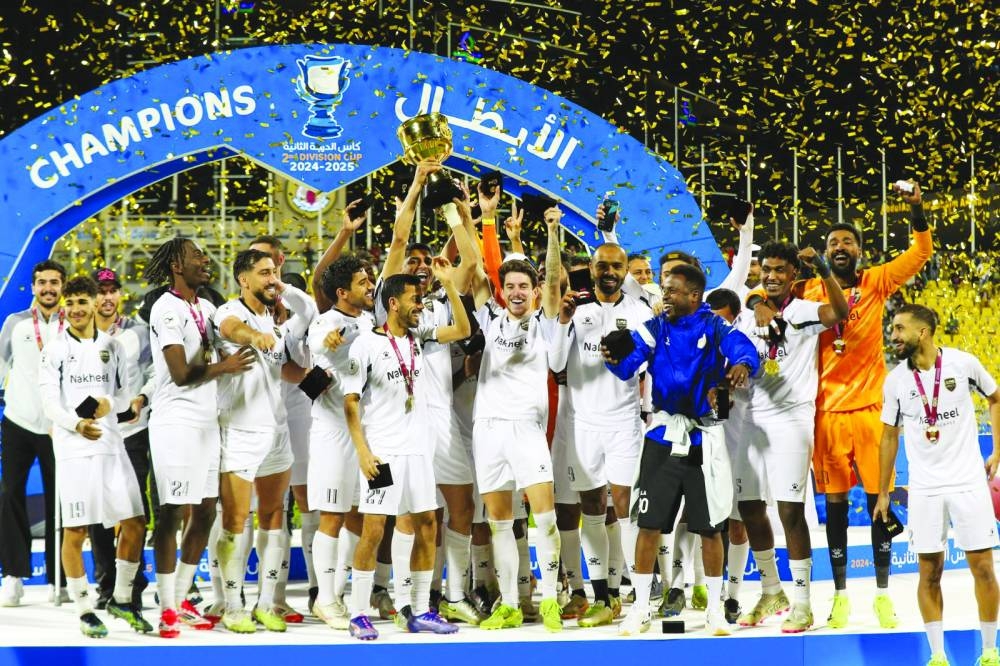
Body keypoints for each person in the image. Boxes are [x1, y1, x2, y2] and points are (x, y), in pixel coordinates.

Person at [751, 179, 932, 628]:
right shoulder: (809, 289)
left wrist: (916, 209)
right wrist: (756, 300)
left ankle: (884, 594)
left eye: (848, 241)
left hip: (871, 412)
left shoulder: (876, 281)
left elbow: (920, 253)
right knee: (834, 507)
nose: (839, 247)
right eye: (833, 242)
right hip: (826, 413)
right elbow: (766, 289)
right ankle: (840, 596)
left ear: (859, 250)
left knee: (879, 503)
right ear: (826, 251)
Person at [604, 263, 758, 636]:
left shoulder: (714, 326)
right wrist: (612, 357)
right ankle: (641, 607)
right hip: (662, 435)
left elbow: (745, 349)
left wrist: (741, 365)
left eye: (672, 290)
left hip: (704, 437)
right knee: (648, 525)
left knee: (711, 528)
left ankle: (715, 611)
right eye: (664, 289)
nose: (665, 296)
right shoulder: (656, 327)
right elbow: (627, 367)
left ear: (694, 295)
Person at [343, 261, 471, 641]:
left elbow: (463, 330)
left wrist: (449, 285)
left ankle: (419, 610)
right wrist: (363, 452)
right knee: (374, 529)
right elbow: (350, 402)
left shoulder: (420, 336)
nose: (421, 306)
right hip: (383, 452)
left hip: (418, 450)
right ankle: (358, 613)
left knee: (427, 523)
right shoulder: (366, 344)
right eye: (415, 300)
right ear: (393, 303)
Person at [875, 304, 1000, 666]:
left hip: (968, 481)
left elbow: (994, 397)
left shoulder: (963, 364)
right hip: (925, 487)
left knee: (983, 568)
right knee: (929, 572)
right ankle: (938, 655)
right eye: (892, 329)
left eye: (899, 329)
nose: (893, 336)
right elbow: (888, 436)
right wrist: (883, 492)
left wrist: (997, 450)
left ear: (923, 332)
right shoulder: (896, 381)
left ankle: (990, 651)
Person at [734, 242, 849, 633]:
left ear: (793, 275)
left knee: (789, 511)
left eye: (780, 269)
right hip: (752, 419)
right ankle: (771, 591)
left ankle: (803, 603)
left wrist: (823, 268)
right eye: (766, 269)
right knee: (750, 507)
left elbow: (840, 312)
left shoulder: (802, 311)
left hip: (792, 419)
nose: (771, 276)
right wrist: (754, 305)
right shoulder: (749, 316)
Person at [145, 238, 254, 638]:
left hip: (208, 422)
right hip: (175, 422)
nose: (205, 260)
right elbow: (179, 373)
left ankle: (181, 598)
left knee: (205, 512)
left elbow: (225, 340)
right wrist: (224, 367)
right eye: (196, 255)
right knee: (172, 512)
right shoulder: (165, 308)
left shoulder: (207, 308)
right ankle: (166, 608)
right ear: (176, 264)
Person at [468, 207, 564, 632]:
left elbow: (555, 280)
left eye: (524, 285)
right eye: (510, 286)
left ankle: (550, 601)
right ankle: (508, 604)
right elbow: (476, 273)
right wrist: (469, 216)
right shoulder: (490, 317)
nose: (516, 292)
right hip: (488, 429)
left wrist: (552, 232)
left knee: (546, 518)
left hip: (526, 429)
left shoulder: (545, 321)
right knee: (499, 523)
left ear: (535, 290)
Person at [37, 276, 148, 637]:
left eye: (82, 302)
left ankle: (121, 598)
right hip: (74, 450)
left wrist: (108, 404)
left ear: (94, 302)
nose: (76, 309)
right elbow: (49, 403)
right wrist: (76, 424)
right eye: (70, 303)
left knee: (135, 523)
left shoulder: (113, 346)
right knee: (76, 530)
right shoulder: (54, 350)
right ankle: (84, 610)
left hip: (112, 445)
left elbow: (124, 395)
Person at [549, 243, 651, 627]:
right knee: (591, 508)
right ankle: (604, 598)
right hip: (583, 424)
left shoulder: (640, 311)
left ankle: (640, 598)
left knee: (625, 508)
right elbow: (556, 363)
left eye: (616, 266)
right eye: (602, 266)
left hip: (624, 422)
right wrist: (562, 321)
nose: (609, 272)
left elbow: (649, 364)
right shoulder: (576, 309)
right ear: (591, 269)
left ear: (625, 270)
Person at [211, 249, 312, 634]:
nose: (272, 279)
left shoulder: (276, 318)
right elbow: (232, 329)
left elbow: (283, 368)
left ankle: (267, 602)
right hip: (240, 430)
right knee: (235, 520)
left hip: (277, 430)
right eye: (264, 273)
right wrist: (255, 336)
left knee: (274, 516)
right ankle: (233, 605)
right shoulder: (228, 311)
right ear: (244, 279)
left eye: (275, 273)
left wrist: (316, 377)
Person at [307, 255, 375, 630]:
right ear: (342, 292)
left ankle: (339, 592)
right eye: (363, 282)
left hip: (365, 433)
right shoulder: (326, 322)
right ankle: (325, 598)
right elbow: (319, 342)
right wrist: (328, 342)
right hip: (332, 433)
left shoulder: (368, 321)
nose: (370, 286)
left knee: (362, 515)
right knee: (332, 515)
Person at [0, 259, 67, 606]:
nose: (48, 288)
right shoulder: (16, 323)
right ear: (34, 286)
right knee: (10, 494)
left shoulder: (72, 324)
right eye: (42, 282)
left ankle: (60, 579)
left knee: (61, 501)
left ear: (62, 286)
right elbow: (1, 364)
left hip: (58, 427)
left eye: (54, 282)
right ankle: (13, 576)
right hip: (18, 421)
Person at [86, 268, 152, 610]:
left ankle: (133, 583)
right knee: (99, 512)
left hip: (133, 434)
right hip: (96, 435)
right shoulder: (79, 336)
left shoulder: (138, 333)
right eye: (101, 291)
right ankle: (105, 583)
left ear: (120, 295)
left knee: (134, 510)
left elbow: (155, 371)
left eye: (112, 290)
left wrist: (142, 397)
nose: (107, 297)